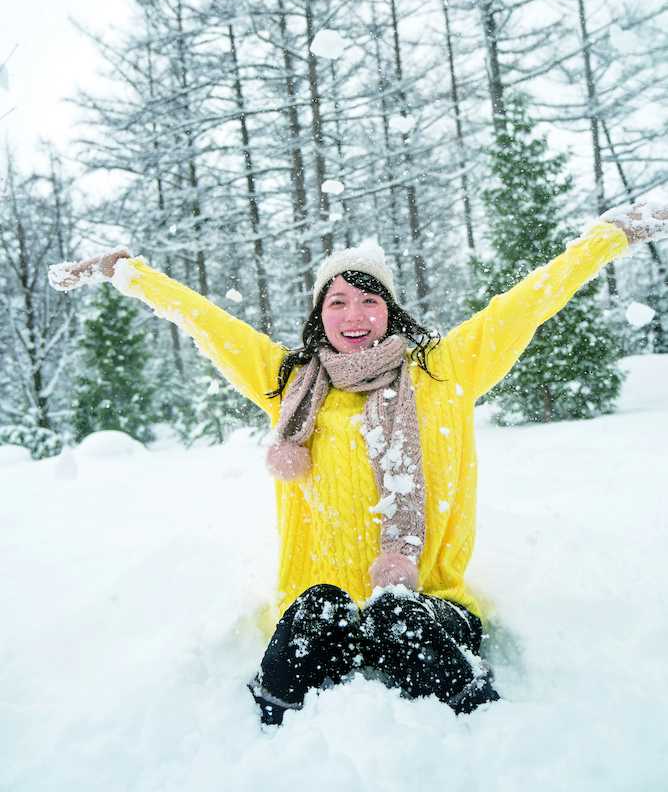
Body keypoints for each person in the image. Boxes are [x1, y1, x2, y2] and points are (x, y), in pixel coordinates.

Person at [49, 201, 668, 725]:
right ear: (319, 313)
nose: (353, 316)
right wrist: (126, 272)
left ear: (390, 310)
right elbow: (207, 323)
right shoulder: (286, 381)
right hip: (326, 614)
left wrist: (607, 238)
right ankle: (275, 739)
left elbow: (527, 303)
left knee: (400, 612)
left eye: (368, 301)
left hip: (429, 605)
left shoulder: (443, 373)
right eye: (337, 301)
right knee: (317, 604)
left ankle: (485, 729)